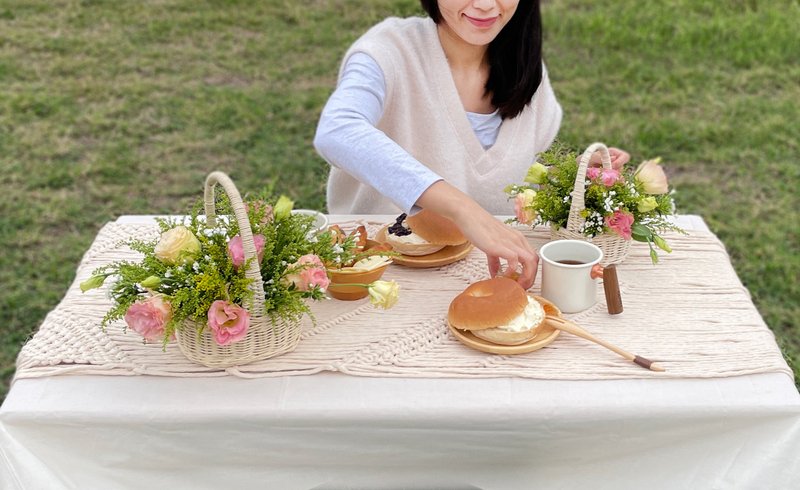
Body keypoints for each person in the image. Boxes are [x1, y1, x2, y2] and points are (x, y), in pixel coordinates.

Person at [314, 0, 629, 289]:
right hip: (375, 279)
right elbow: (337, 130)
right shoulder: (388, 51)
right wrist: (463, 210)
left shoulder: (526, 70)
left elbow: (500, 179)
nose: (484, 5)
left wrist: (568, 176)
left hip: (489, 279)